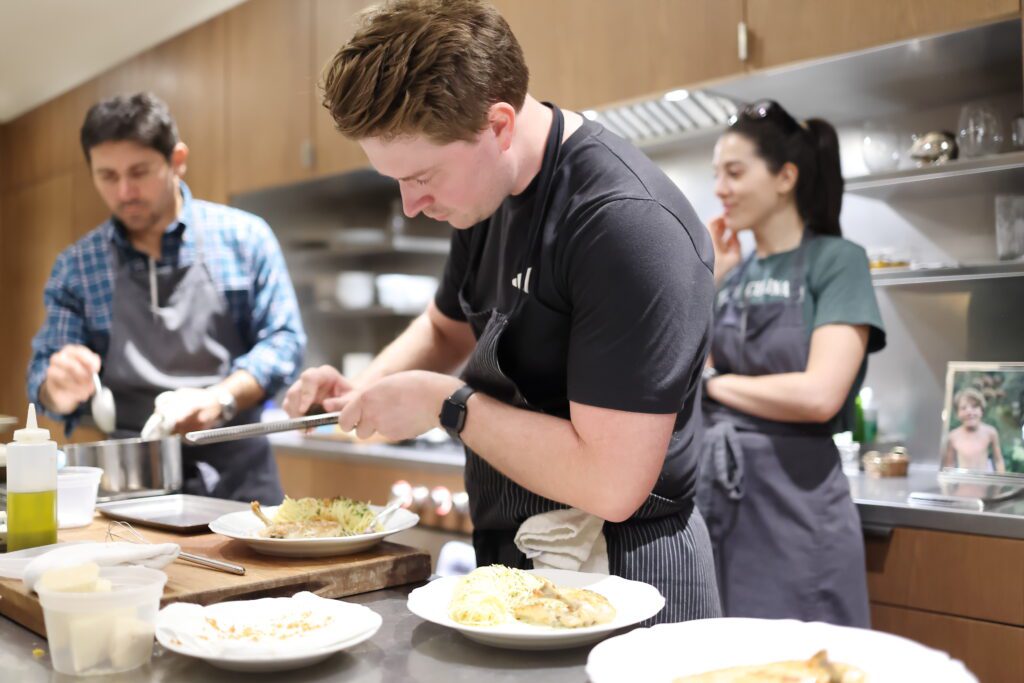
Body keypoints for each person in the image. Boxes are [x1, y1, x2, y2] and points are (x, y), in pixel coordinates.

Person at [284, 0, 720, 622]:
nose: (411, 206)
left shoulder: (624, 226)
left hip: (624, 574)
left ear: (498, 125)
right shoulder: (482, 200)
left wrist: (447, 403)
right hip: (518, 563)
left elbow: (612, 482)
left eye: (423, 176)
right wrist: (363, 390)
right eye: (396, 182)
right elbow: (443, 327)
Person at [27, 92, 306, 504]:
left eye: (139, 171)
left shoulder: (244, 238)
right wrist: (58, 385)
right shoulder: (77, 267)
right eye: (107, 176)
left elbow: (284, 342)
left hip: (240, 482)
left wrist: (219, 398)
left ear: (177, 160)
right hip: (130, 487)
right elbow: (41, 381)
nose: (125, 191)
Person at [697, 99, 887, 627]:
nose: (721, 188)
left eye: (735, 173)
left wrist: (715, 386)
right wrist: (709, 279)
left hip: (797, 509)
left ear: (785, 177)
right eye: (718, 175)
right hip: (718, 500)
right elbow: (679, 363)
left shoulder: (838, 261)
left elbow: (819, 395)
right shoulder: (732, 270)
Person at [942, 388, 1005, 472]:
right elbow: (949, 465)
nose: (969, 412)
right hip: (963, 482)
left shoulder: (990, 432)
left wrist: (1000, 482)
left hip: (984, 481)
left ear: (981, 410)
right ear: (957, 413)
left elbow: (998, 461)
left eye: (974, 407)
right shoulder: (953, 436)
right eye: (963, 408)